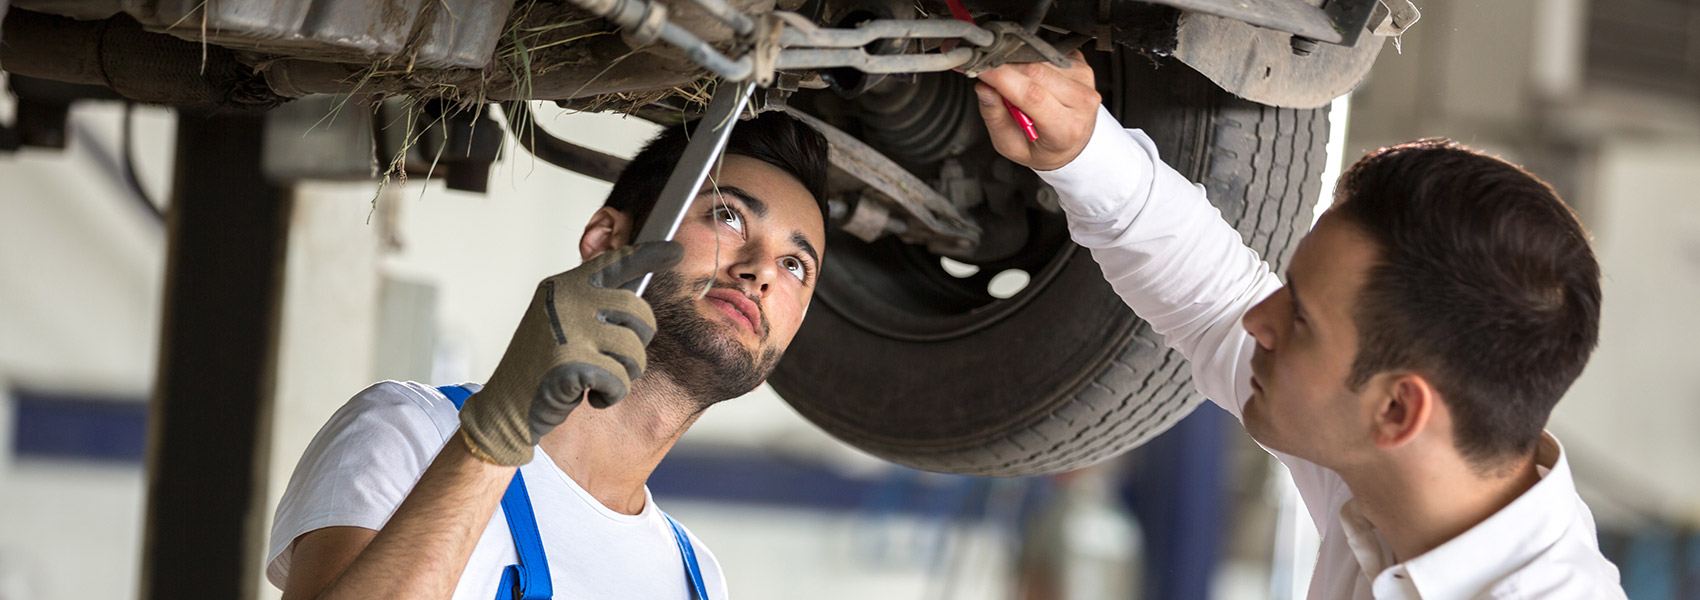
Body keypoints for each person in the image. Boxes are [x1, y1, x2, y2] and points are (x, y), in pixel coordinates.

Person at [973, 52, 1627, 599]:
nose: (1259, 319)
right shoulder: (1408, 475)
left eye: (1302, 319)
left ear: (1398, 410)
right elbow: (1213, 303)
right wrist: (1082, 149)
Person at [265, 111, 830, 600]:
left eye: (795, 266)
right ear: (607, 241)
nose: (761, 270)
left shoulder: (694, 578)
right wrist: (495, 436)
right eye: (728, 216)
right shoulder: (409, 432)